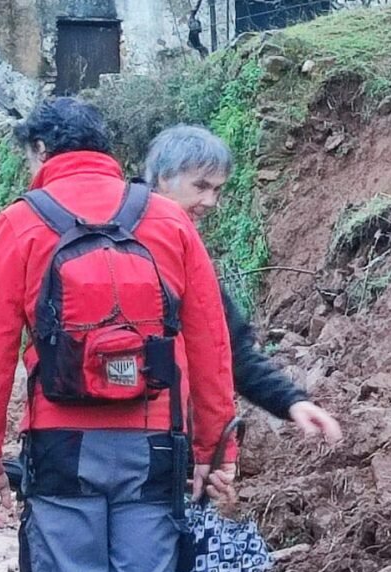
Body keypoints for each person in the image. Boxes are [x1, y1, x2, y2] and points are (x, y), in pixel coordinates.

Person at [0, 98, 237, 572]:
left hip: (61, 445)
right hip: (153, 444)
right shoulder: (169, 220)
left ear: (42, 149)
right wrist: (214, 451)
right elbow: (210, 344)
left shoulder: (18, 223)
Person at [142, 125, 343, 470]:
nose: (211, 202)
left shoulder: (184, 249)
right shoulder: (131, 241)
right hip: (143, 442)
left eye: (217, 189)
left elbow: (228, 348)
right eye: (201, 186)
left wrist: (291, 401)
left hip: (151, 444)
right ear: (162, 178)